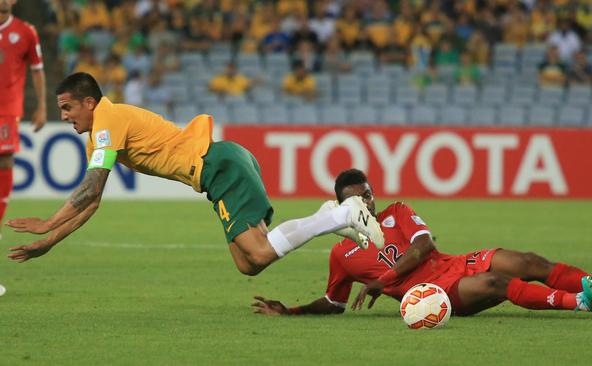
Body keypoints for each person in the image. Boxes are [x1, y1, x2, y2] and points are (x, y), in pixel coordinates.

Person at [6, 73, 384, 276]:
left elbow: (90, 188)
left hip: (218, 165)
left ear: (89, 102)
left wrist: (47, 224)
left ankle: (341, 213)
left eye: (68, 107)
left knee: (258, 252)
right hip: (220, 169)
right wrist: (50, 241)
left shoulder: (107, 118)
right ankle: (327, 216)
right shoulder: (99, 137)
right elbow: (93, 202)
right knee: (248, 265)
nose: (65, 116)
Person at [252, 169, 592, 318]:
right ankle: (582, 302)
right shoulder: (341, 254)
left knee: (527, 260)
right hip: (433, 293)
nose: (369, 201)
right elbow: (335, 302)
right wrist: (292, 311)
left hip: (452, 263)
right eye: (360, 197)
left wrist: (381, 280)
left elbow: (423, 248)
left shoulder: (397, 212)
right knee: (495, 285)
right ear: (344, 206)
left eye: (369, 193)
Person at [0, 0, 47, 232]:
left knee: (5, 160)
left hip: (7, 109)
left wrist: (42, 106)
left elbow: (37, 70)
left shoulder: (26, 31)